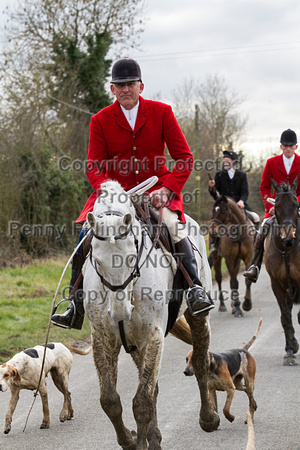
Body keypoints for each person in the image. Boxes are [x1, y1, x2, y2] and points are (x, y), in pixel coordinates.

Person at [51, 57, 214, 330]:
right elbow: (94, 166)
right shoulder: (100, 120)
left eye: (131, 84)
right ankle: (74, 304)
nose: (126, 89)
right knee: (85, 237)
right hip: (115, 196)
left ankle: (195, 289)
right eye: (120, 85)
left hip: (156, 191)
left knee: (174, 229)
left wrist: (167, 189)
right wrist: (110, 191)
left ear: (141, 86)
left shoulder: (162, 112)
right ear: (112, 89)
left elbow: (184, 158)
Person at [243, 128, 300, 282]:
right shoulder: (271, 162)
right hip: (276, 209)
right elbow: (264, 187)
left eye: (291, 145)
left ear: (296, 146)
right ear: (281, 146)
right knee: (262, 231)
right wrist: (270, 206)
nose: (288, 148)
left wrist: (295, 203)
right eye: (285, 146)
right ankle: (254, 266)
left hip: (296, 208)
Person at [208, 150, 260, 254]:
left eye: (228, 160)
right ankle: (214, 244)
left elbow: (245, 192)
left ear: (234, 162)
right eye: (224, 160)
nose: (225, 162)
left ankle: (256, 244)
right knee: (214, 223)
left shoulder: (242, 175)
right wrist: (212, 187)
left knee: (256, 217)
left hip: (239, 205)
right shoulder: (219, 175)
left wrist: (241, 201)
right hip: (224, 208)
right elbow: (215, 195)